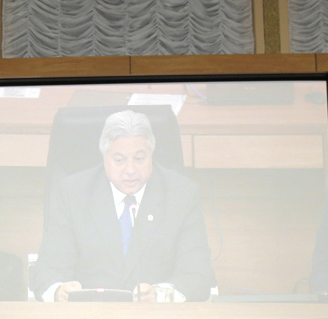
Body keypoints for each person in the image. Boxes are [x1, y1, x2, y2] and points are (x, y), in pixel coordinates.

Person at [32, 109, 214, 303]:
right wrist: (59, 291)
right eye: (119, 160)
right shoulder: (72, 193)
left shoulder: (182, 195)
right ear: (104, 157)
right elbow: (47, 273)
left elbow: (198, 276)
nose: (130, 170)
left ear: (151, 154)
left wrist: (161, 295)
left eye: (139, 159)